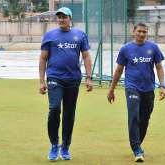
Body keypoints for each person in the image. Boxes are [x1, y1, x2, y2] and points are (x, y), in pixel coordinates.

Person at [39, 7, 93, 161]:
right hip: (55, 78)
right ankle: (54, 145)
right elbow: (43, 58)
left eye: (64, 17)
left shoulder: (80, 35)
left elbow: (87, 57)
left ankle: (66, 146)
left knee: (69, 113)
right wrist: (42, 81)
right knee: (54, 109)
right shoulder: (49, 36)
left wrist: (89, 77)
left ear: (70, 18)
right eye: (59, 17)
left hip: (73, 79)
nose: (61, 19)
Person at [107, 22, 165, 162]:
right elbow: (119, 70)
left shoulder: (153, 48)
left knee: (145, 119)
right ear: (133, 32)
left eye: (144, 32)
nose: (141, 34)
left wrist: (162, 86)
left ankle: (138, 143)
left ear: (147, 33)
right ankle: (136, 149)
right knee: (133, 116)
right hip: (132, 87)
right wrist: (111, 89)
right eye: (139, 31)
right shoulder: (126, 49)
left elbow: (159, 67)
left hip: (148, 88)